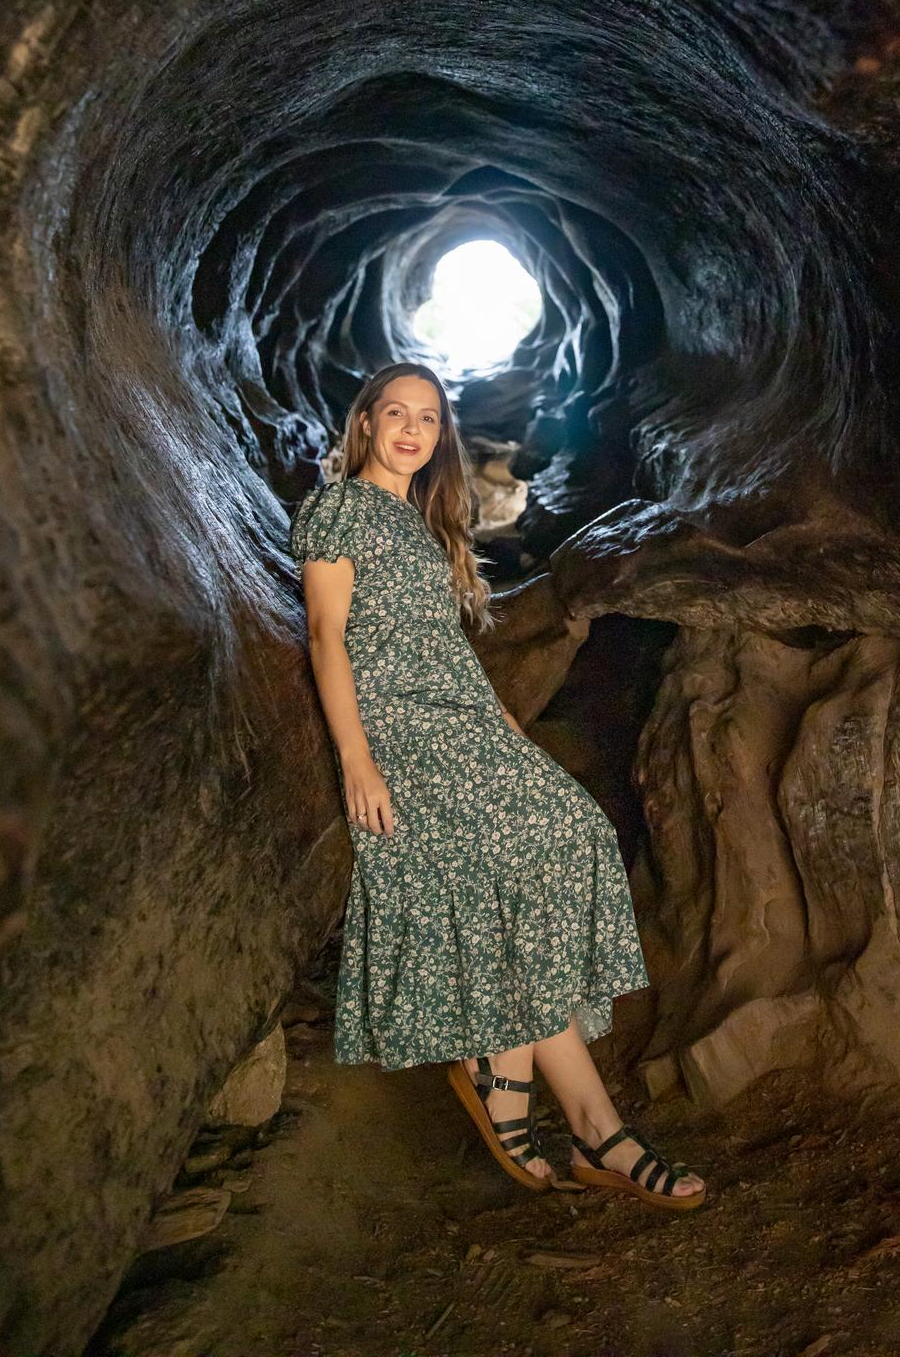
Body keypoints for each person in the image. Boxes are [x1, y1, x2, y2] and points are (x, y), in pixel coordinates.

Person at [291, 361, 706, 1209]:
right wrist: (357, 760)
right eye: (394, 413)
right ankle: (565, 1109)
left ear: (441, 433)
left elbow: (445, 650)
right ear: (364, 423)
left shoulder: (421, 522)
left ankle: (568, 1111)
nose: (412, 429)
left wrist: (503, 729)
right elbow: (329, 637)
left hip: (460, 722)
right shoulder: (338, 508)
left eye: (429, 417)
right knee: (538, 848)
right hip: (400, 730)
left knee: (570, 831)